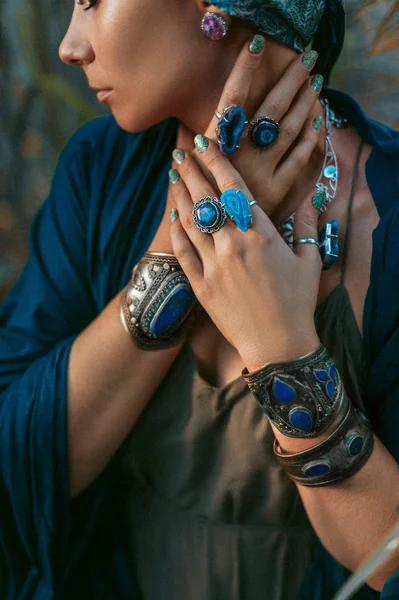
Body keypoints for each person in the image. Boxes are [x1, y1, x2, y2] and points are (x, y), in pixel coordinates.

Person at [0, 0, 398, 598]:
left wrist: (281, 344)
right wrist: (182, 257)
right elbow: (20, 460)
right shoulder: (100, 171)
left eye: (90, 2)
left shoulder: (388, 220)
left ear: (213, 7)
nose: (70, 46)